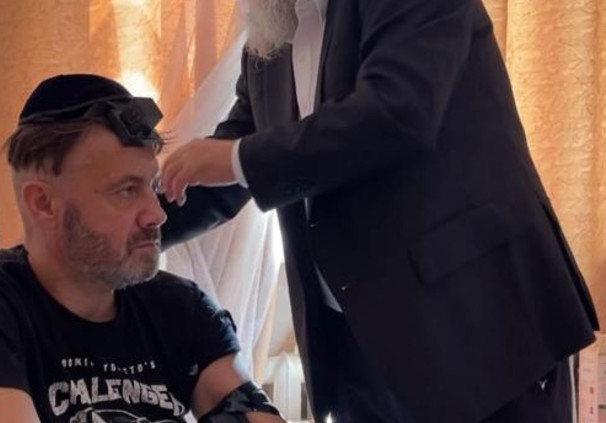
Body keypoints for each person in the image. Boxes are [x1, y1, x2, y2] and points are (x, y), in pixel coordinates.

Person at [158, 0, 600, 422]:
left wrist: (237, 158)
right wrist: (136, 224)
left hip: (476, 327)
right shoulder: (273, 31)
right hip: (356, 351)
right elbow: (229, 162)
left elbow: (396, 111)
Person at [0, 74, 283, 423]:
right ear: (43, 203)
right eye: (126, 190)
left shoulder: (180, 308)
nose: (157, 214)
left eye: (152, 187)